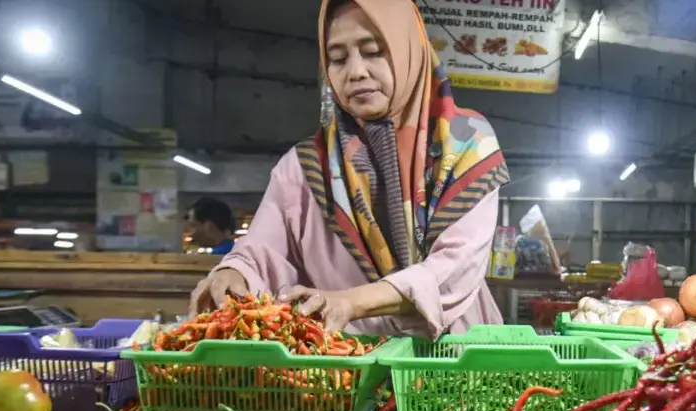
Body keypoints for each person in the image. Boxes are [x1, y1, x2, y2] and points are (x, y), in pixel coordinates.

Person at [187, 0, 508, 338]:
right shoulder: (305, 168)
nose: (355, 71)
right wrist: (232, 274)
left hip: (456, 360)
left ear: (408, 50)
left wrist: (350, 302)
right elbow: (259, 252)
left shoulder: (466, 143)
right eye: (338, 59)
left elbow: (454, 269)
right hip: (353, 370)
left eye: (372, 52)